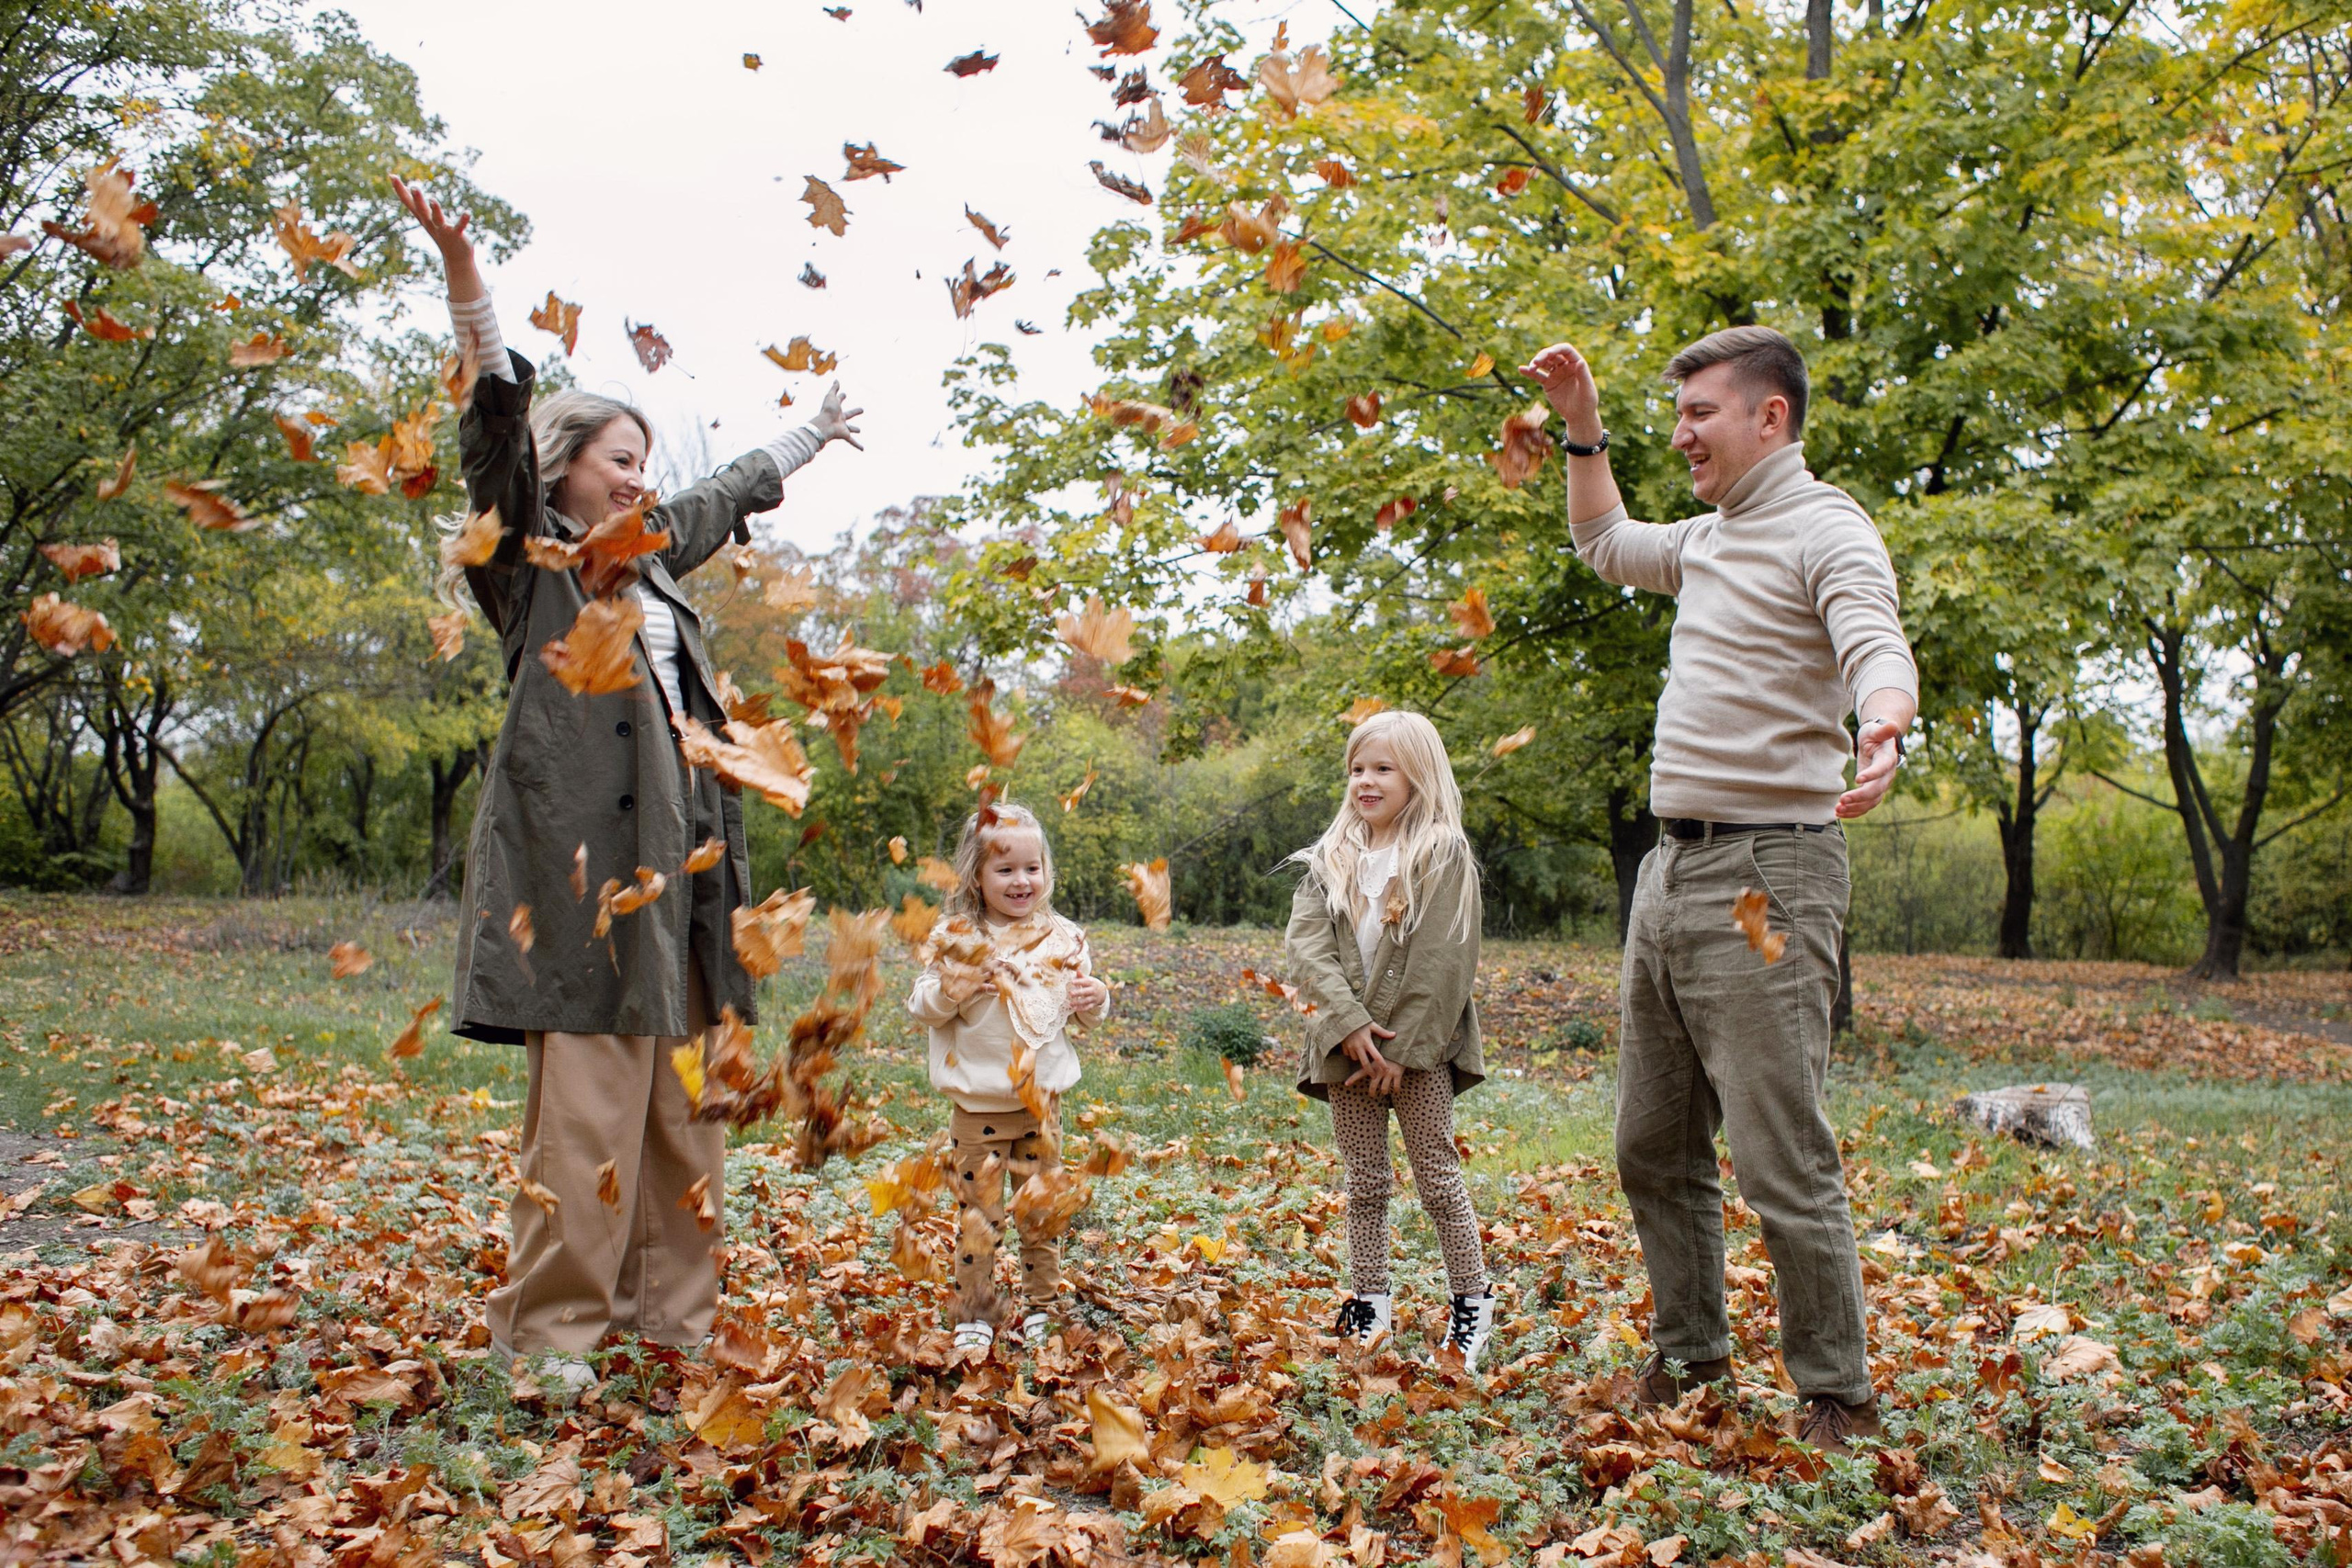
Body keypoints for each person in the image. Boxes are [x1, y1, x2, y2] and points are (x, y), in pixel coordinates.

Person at [391, 177, 864, 1396]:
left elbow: (719, 496)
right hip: (586, 889)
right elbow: (494, 431)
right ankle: (555, 1340)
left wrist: (812, 435)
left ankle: (673, 1325)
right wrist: (467, 283)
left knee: (682, 1116)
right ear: (563, 473)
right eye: (619, 460)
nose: (640, 480)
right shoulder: (531, 567)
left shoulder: (654, 571)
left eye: (646, 463)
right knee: (589, 1120)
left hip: (688, 884)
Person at [1519, 326, 1917, 1450]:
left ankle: (1837, 1397)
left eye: (1700, 414)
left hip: (1764, 879)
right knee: (1651, 1144)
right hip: (1672, 871)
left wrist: (1883, 720)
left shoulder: (1825, 525)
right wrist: (1583, 429)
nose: (1681, 435)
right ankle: (1691, 1360)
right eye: (1676, 414)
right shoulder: (1708, 539)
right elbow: (1603, 541)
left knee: (1778, 1151)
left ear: (1768, 417)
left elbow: (1872, 636)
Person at [1283, 710, 1498, 1371]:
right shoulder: (1331, 859)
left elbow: (1443, 962)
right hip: (1346, 1053)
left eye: (1383, 768)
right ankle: (1370, 1305)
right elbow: (1307, 950)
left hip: (1418, 1054)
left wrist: (1401, 1052)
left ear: (1419, 775)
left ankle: (1472, 1302)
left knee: (1437, 1176)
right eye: (1357, 769)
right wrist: (1348, 1025)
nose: (1366, 781)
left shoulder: (1440, 854)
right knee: (1365, 1182)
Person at [907, 800, 1110, 1354]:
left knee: (1041, 1212)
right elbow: (922, 1005)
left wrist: (1096, 998)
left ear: (1046, 871)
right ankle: (975, 1309)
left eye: (1031, 868)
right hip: (979, 1109)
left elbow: (1085, 1013)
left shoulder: (1062, 937)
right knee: (980, 1217)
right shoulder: (958, 937)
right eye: (1005, 869)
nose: (1021, 881)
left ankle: (1043, 1306)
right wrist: (951, 989)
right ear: (976, 875)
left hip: (1043, 1105)